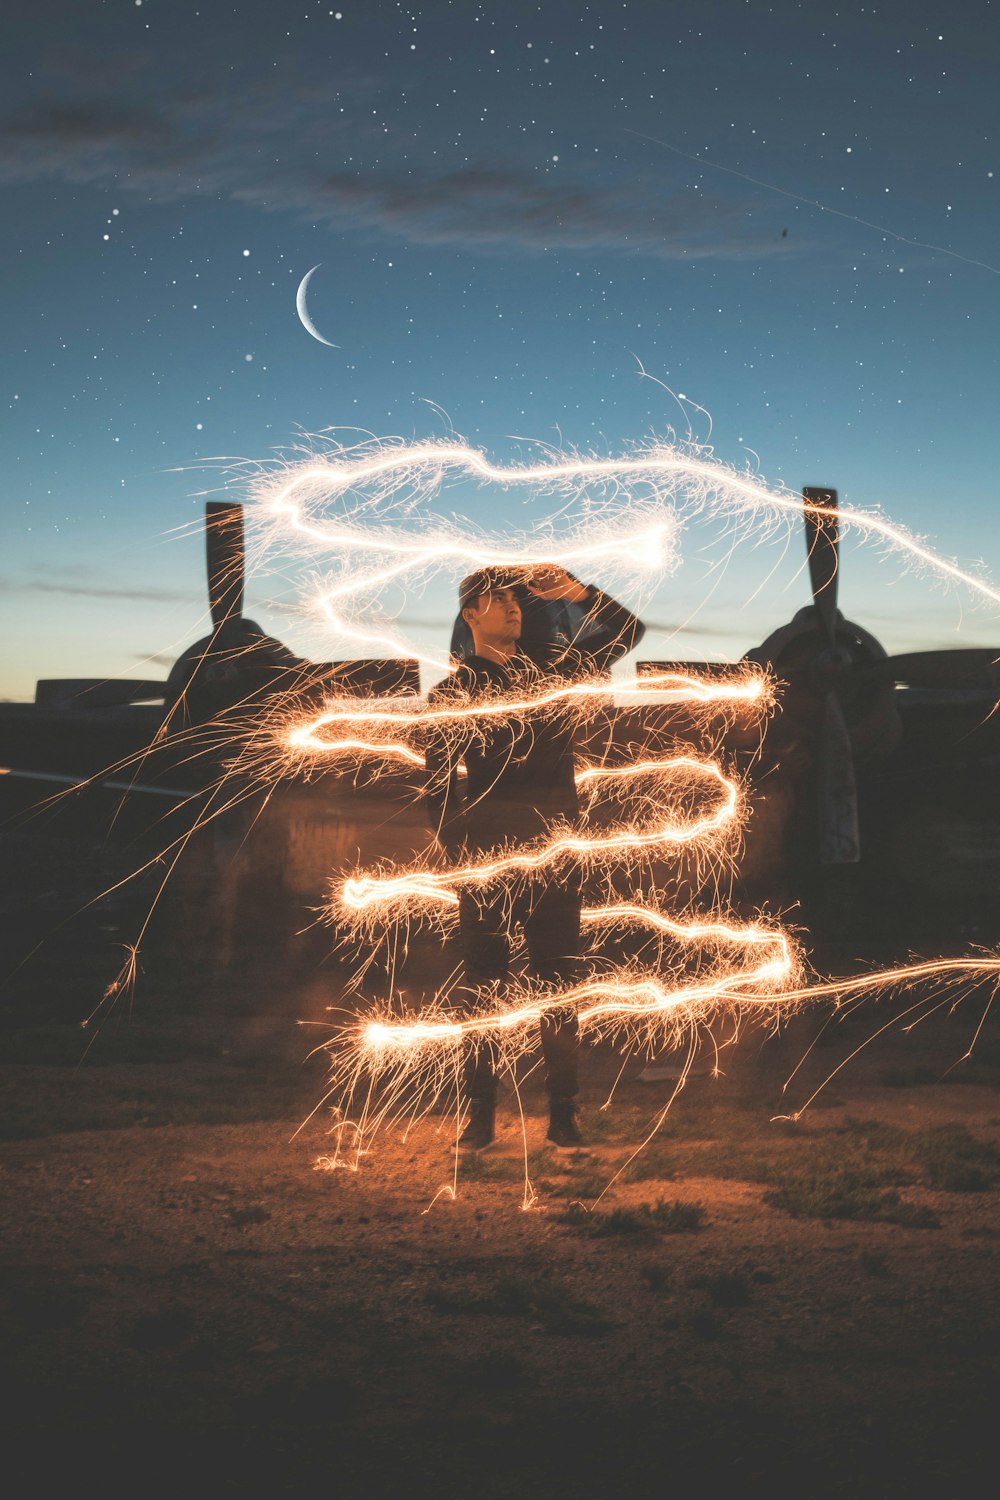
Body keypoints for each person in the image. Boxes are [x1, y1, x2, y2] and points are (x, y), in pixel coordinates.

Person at [424, 564, 645, 1150]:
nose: (515, 608)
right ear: (470, 615)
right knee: (482, 993)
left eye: (518, 600)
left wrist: (576, 591)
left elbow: (628, 631)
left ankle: (564, 1115)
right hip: (489, 865)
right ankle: (478, 1117)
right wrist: (465, 855)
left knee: (558, 989)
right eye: (499, 601)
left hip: (554, 857)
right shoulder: (452, 694)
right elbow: (438, 787)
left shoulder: (554, 672)